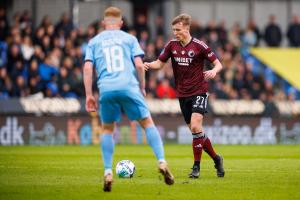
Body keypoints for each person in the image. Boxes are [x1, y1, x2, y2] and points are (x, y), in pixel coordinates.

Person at [83, 7, 174, 192]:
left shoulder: (94, 42)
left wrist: (89, 95)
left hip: (106, 88)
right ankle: (162, 161)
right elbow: (139, 66)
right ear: (121, 22)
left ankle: (108, 171)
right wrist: (141, 86)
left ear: (103, 23)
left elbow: (86, 68)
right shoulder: (129, 38)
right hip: (128, 85)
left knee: (107, 129)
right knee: (147, 123)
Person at [144, 14, 225, 178]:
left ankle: (196, 167)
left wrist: (213, 71)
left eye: (178, 30)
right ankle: (217, 159)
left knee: (195, 126)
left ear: (187, 29)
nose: (175, 33)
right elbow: (160, 63)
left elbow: (218, 64)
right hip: (182, 93)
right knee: (197, 132)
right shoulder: (171, 45)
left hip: (199, 90)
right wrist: (147, 64)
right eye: (173, 30)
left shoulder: (199, 46)